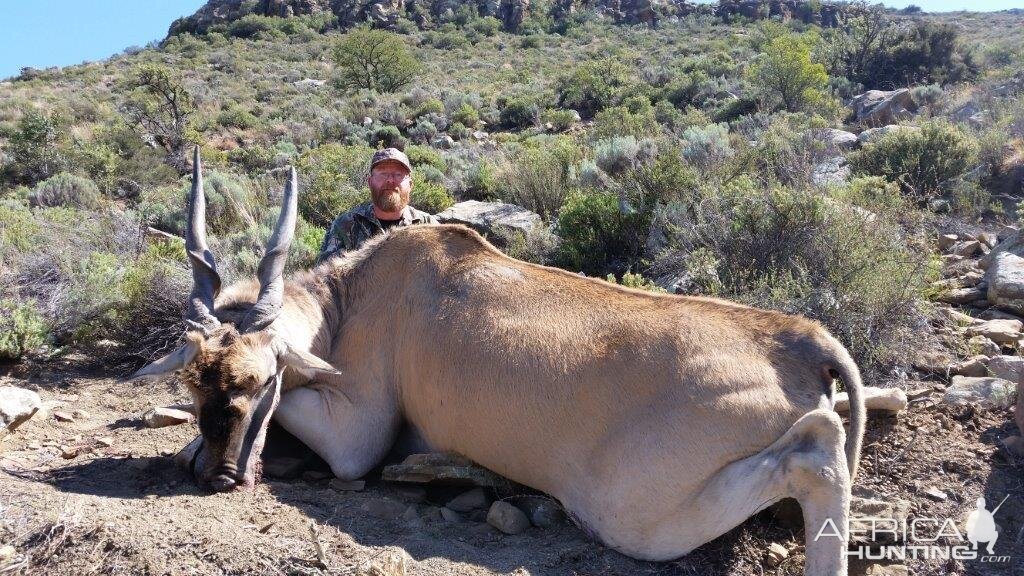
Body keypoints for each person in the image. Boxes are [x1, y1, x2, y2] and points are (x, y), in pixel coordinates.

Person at [318, 148, 438, 262]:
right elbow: (326, 278)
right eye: (383, 174)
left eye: (398, 174)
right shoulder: (345, 225)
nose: (390, 180)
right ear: (370, 182)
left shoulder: (428, 225)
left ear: (410, 185)